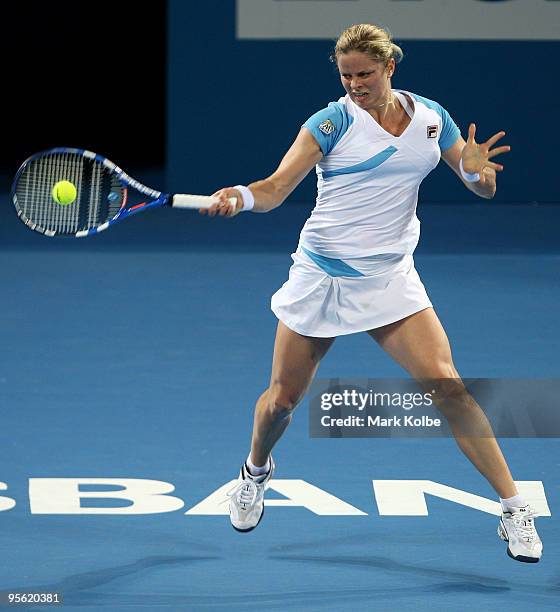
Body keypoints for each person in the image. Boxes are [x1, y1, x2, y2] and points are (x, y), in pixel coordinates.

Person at [203, 23, 542, 563]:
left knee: (449, 388)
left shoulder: (432, 118)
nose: (355, 84)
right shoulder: (330, 122)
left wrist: (479, 175)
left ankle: (514, 509)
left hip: (389, 276)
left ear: (390, 68)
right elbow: (273, 190)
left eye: (365, 74)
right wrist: (239, 197)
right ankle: (255, 470)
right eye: (346, 75)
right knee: (283, 402)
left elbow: (481, 183)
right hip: (322, 277)